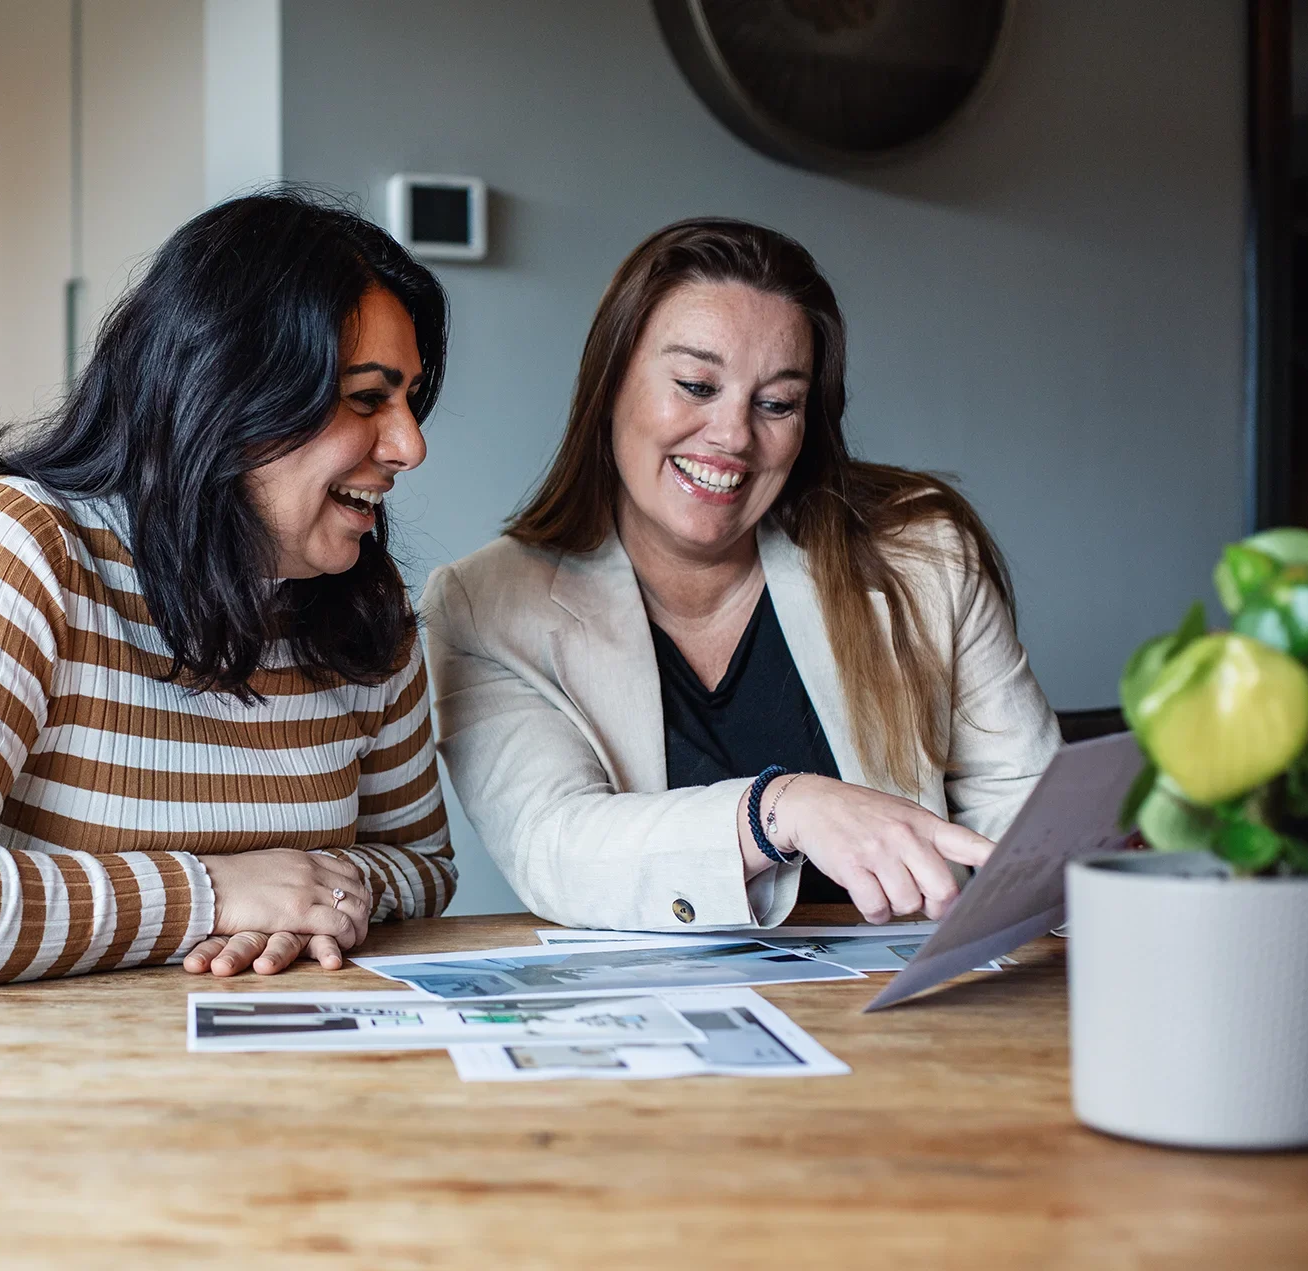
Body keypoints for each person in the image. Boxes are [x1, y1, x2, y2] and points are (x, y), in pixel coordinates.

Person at [0, 191, 456, 994]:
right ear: (228, 390)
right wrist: (213, 893)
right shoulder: (12, 545)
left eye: (410, 401)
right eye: (366, 398)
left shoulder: (364, 609)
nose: (410, 445)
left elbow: (422, 867)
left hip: (270, 1079)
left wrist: (306, 897)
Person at [423, 217, 1058, 931]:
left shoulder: (922, 551)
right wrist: (781, 809)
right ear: (609, 387)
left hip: (908, 1017)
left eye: (777, 403)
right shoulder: (480, 608)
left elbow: (1025, 814)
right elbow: (555, 846)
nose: (733, 436)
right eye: (696, 385)